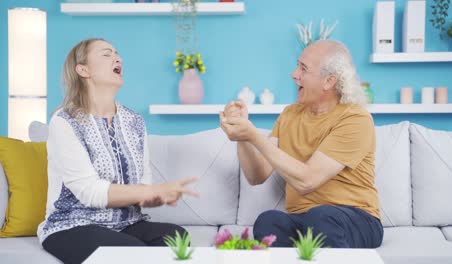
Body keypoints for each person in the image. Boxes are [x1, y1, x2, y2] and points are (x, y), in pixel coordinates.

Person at [37, 38, 199, 264]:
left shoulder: (135, 121)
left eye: (117, 53)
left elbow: (142, 186)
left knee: (176, 237)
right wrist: (150, 191)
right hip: (73, 225)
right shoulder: (65, 121)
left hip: (127, 224)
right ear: (83, 70)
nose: (117, 58)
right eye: (106, 54)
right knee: (131, 253)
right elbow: (89, 191)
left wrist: (157, 196)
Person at [220, 40, 383, 248]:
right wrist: (242, 135)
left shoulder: (355, 119)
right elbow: (256, 175)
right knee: (267, 222)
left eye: (303, 68)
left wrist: (253, 135)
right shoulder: (290, 114)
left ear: (329, 81)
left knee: (322, 218)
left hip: (357, 219)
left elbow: (307, 180)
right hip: (306, 220)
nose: (294, 74)